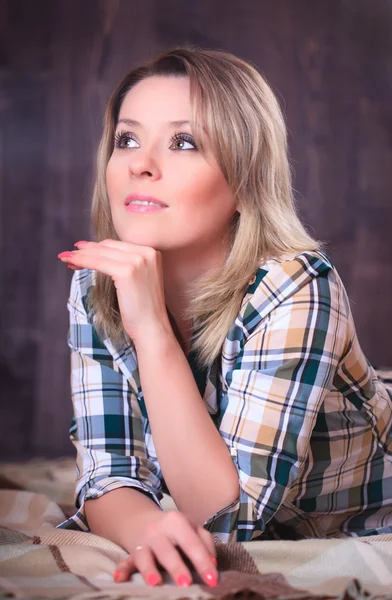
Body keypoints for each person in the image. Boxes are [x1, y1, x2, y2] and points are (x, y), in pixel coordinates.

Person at [56, 46, 392, 588]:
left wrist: (152, 332)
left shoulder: (296, 285)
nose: (141, 163)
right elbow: (108, 472)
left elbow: (228, 519)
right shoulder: (99, 282)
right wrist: (147, 528)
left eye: (184, 142)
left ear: (244, 180)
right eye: (128, 138)